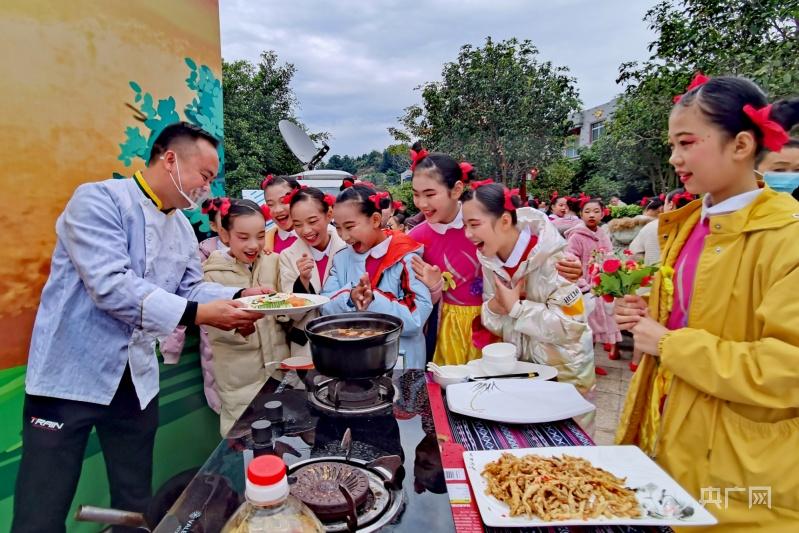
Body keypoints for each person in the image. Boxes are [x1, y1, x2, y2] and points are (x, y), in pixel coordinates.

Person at [13, 122, 269, 533]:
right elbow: (111, 286)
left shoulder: (181, 226)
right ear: (169, 159)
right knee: (40, 510)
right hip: (68, 379)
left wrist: (240, 296)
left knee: (133, 503)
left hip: (135, 382)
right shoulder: (98, 201)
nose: (207, 188)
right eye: (204, 176)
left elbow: (191, 286)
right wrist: (201, 314)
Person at [615, 75, 799, 530]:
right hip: (669, 430)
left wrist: (671, 345)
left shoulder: (787, 239)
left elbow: (788, 366)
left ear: (739, 145)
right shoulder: (686, 224)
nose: (675, 158)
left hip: (740, 463)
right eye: (673, 144)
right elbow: (687, 318)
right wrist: (644, 317)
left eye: (687, 142)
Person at [408, 145, 583, 365]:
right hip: (449, 326)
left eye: (430, 194)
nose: (422, 203)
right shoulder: (415, 238)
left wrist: (568, 265)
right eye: (416, 195)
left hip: (506, 325)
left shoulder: (489, 223)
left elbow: (535, 250)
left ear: (456, 189)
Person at [463, 182, 595, 433]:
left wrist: (516, 308)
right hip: (522, 371)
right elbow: (495, 319)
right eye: (465, 225)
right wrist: (495, 307)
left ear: (503, 221)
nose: (468, 234)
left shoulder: (556, 258)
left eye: (475, 224)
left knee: (568, 451)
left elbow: (571, 326)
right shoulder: (491, 260)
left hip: (564, 373)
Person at [321, 184, 433, 369]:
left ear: (375, 219)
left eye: (350, 226)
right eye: (338, 228)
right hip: (353, 361)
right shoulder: (341, 259)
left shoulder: (405, 257)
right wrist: (350, 298)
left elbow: (417, 318)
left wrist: (374, 300)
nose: (344, 236)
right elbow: (324, 305)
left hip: (400, 362)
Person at [202, 198, 290, 435]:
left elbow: (286, 309)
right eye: (243, 237)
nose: (254, 245)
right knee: (244, 439)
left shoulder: (274, 262)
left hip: (278, 371)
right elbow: (214, 325)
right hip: (238, 378)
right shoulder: (211, 274)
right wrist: (241, 325)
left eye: (261, 236)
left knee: (282, 435)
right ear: (224, 234)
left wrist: (282, 309)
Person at [160, 197, 231, 414]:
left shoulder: (258, 257)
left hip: (243, 337)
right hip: (211, 331)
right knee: (217, 378)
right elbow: (184, 296)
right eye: (225, 224)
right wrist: (171, 348)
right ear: (213, 225)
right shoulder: (202, 258)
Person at [279, 187, 347, 356]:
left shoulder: (349, 247)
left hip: (347, 339)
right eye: (297, 224)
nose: (306, 230)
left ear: (329, 214)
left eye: (312, 221)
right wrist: (302, 281)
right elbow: (293, 314)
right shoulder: (288, 256)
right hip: (307, 346)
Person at [566, 198, 621, 372]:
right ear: (581, 214)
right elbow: (570, 262)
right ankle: (579, 367)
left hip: (601, 289)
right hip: (584, 291)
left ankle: (589, 365)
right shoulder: (576, 237)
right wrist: (583, 285)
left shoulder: (603, 234)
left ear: (603, 213)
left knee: (595, 330)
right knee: (583, 331)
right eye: (587, 211)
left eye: (596, 211)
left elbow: (610, 258)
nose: (592, 215)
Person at [261, 174, 300, 253]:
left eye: (283, 201)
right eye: (270, 204)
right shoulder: (263, 243)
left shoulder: (320, 236)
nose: (278, 210)